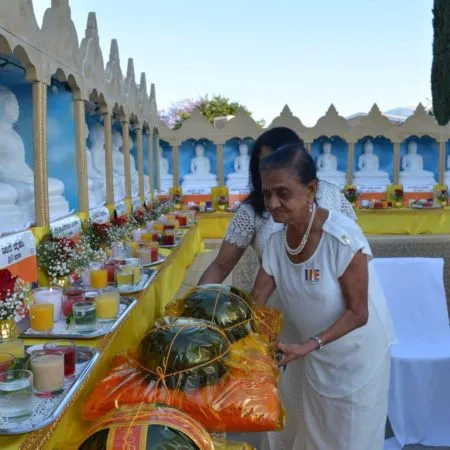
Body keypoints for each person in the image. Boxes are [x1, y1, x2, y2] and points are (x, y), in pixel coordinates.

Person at [198, 127, 357, 449]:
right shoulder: (254, 211)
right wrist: (195, 309)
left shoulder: (330, 196)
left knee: (329, 403)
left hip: (330, 313)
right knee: (284, 401)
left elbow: (355, 249)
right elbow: (220, 266)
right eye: (263, 164)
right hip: (277, 317)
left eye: (280, 160)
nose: (271, 171)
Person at [251, 143, 396, 449]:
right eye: (267, 194)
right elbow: (253, 304)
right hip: (315, 355)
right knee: (316, 436)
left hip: (358, 357)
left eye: (283, 193)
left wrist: (309, 345)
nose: (273, 203)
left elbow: (359, 312)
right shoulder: (277, 244)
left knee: (351, 439)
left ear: (311, 190)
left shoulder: (342, 239)